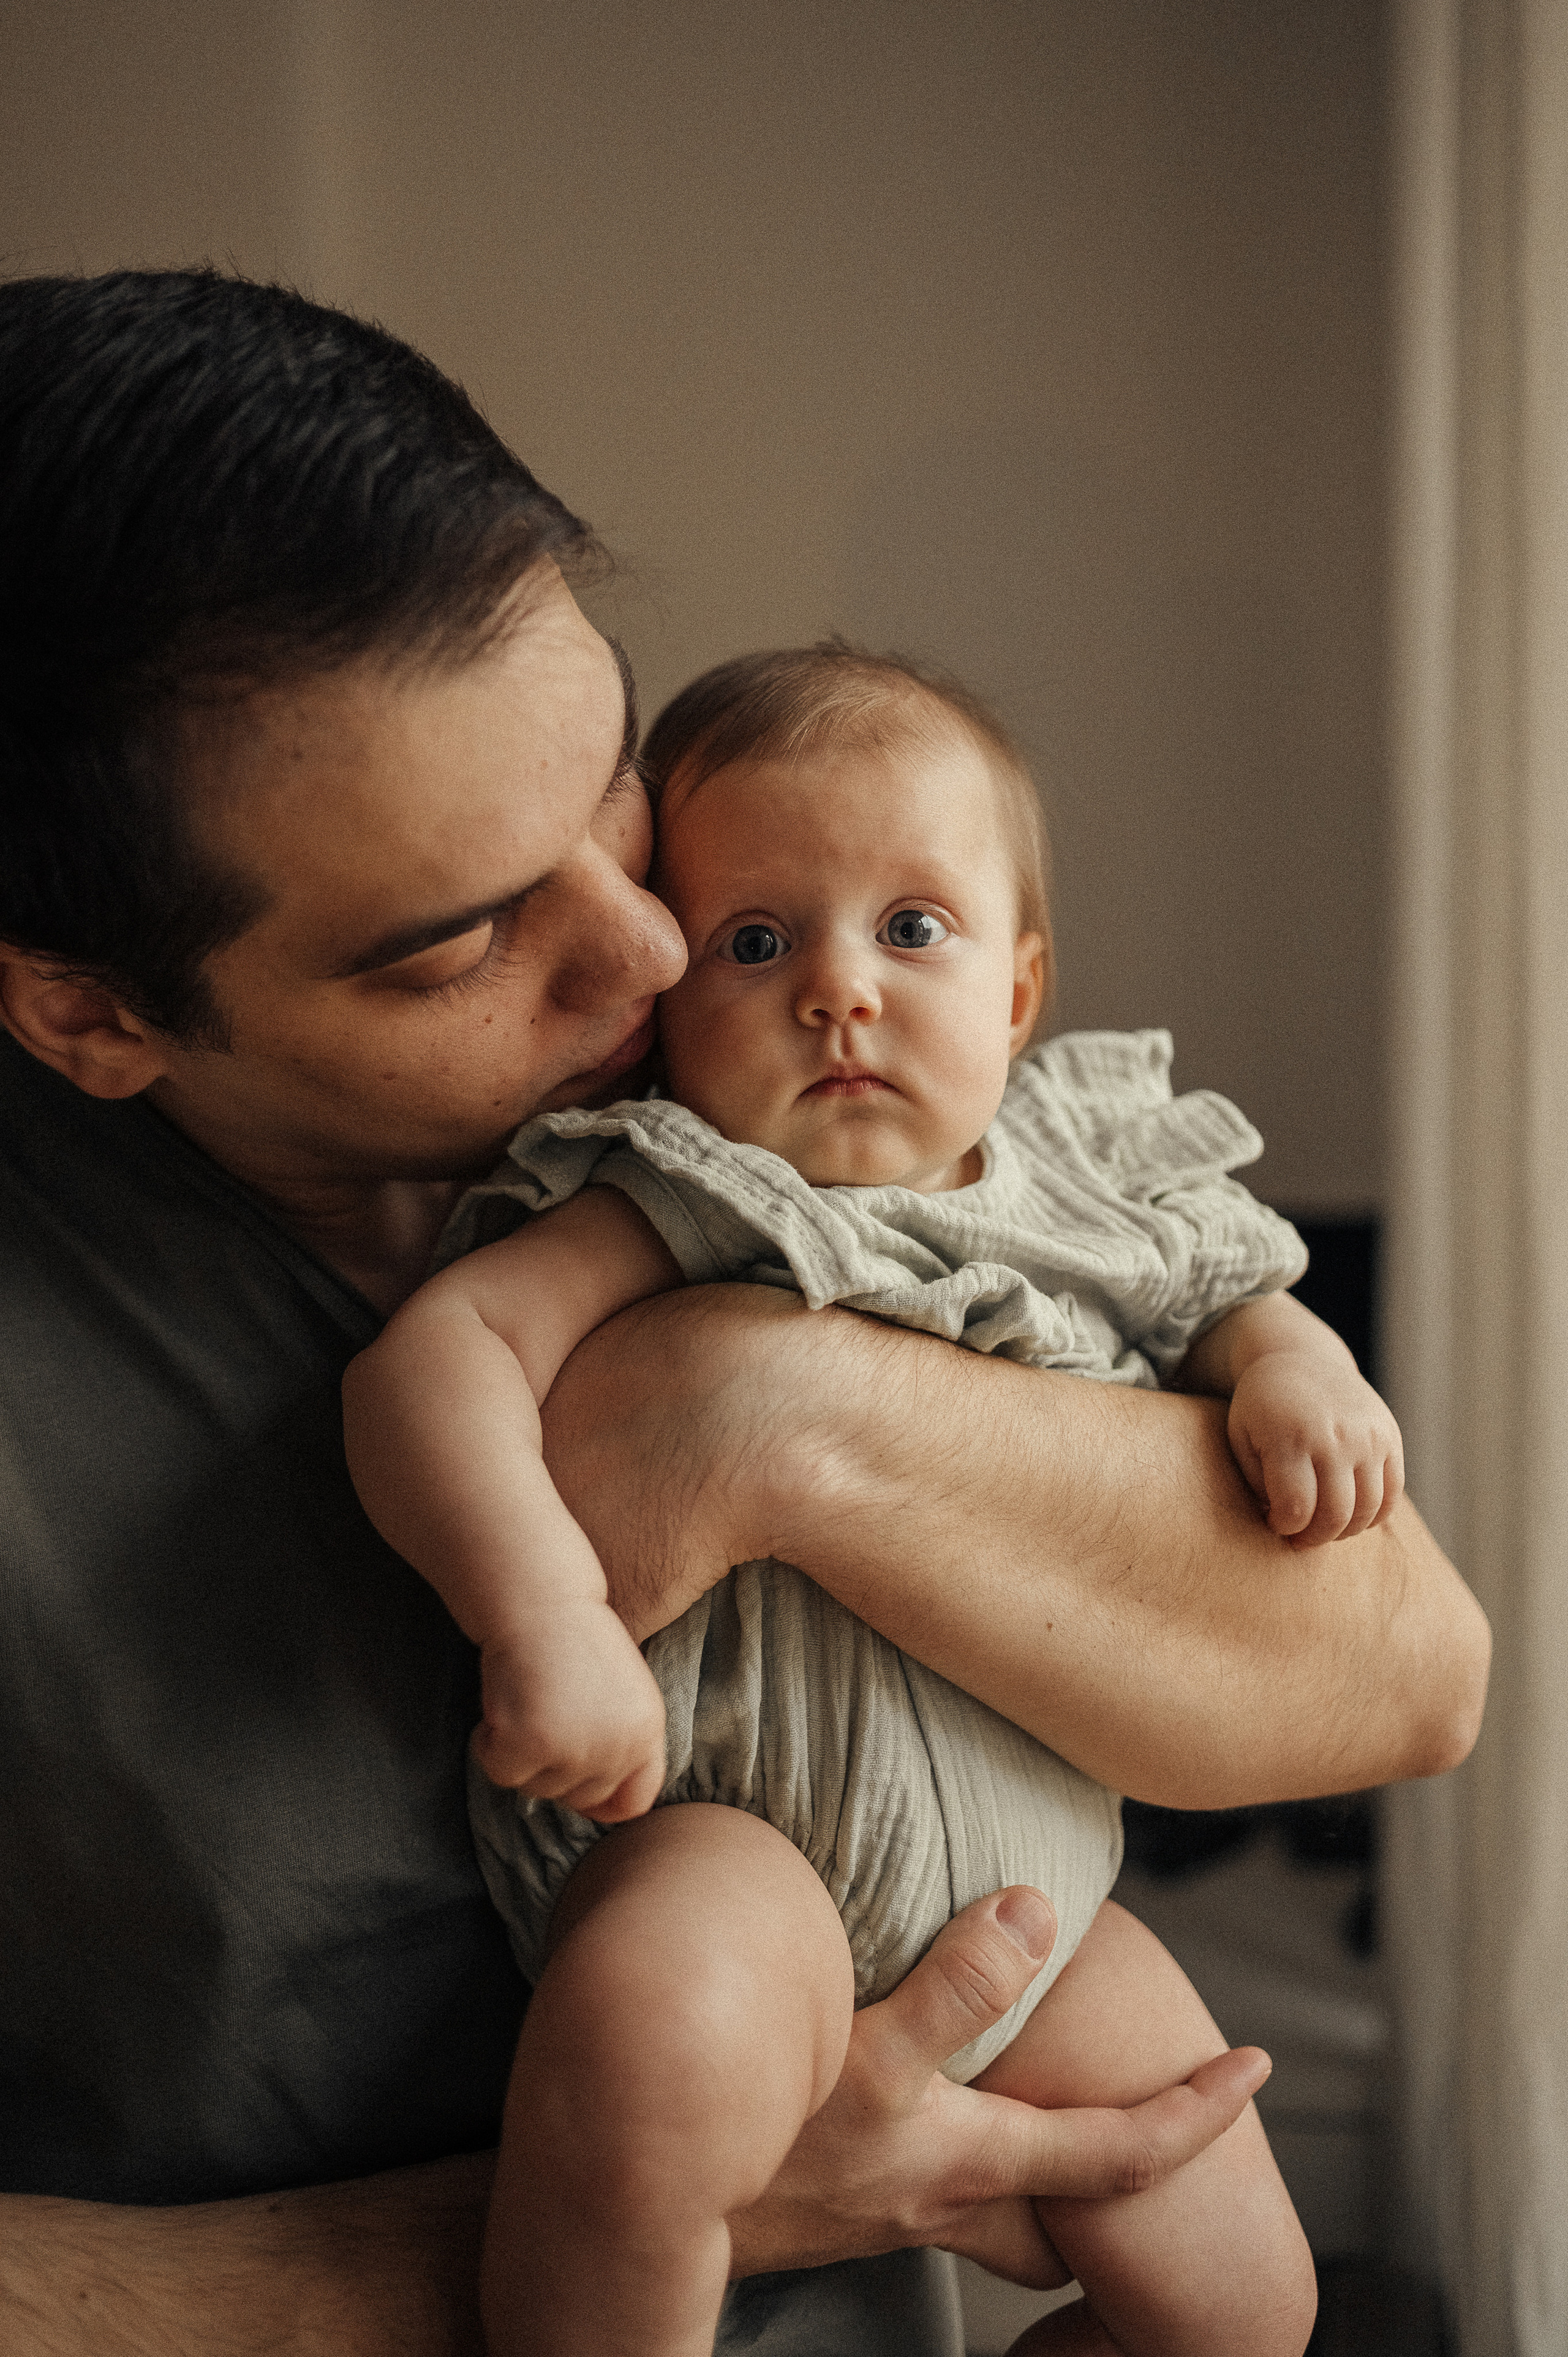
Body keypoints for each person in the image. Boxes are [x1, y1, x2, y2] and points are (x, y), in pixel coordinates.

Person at [0, 271, 1488, 2357]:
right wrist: (644, 2210)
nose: (651, 948)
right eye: (455, 943)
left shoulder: (826, 1099)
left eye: (605, 781)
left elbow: (1413, 1679)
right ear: (90, 1015)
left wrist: (772, 1413)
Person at [342, 640, 1403, 2354]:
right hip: (722, 1843)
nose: (837, 989)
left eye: (911, 928)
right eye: (755, 943)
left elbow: (1232, 1305)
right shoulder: (690, 1189)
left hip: (1037, 1899)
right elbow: (435, 1359)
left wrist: (1300, 1373)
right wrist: (538, 1609)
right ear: (665, 1012)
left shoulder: (1099, 1190)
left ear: (1019, 989)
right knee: (647, 2071)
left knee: (1246, 2303)